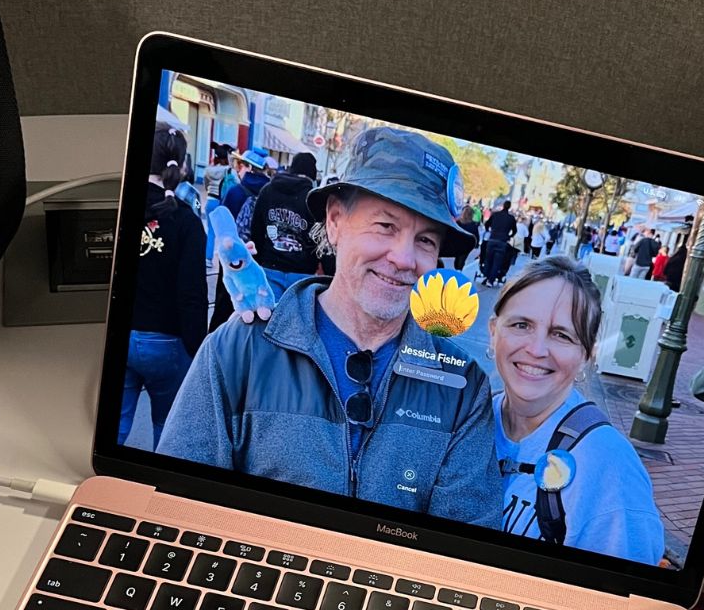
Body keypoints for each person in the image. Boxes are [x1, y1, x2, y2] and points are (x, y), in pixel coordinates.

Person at [159, 125, 501, 525]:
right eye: (386, 226)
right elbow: (177, 510)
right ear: (335, 221)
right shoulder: (238, 352)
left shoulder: (461, 387)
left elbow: (458, 542)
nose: (405, 258)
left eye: (426, 240)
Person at [489, 255, 665, 563]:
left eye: (561, 335)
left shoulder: (610, 468)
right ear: (493, 331)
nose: (536, 349)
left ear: (586, 355)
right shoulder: (467, 420)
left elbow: (622, 588)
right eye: (521, 325)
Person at [119, 125, 207, 447]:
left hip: (120, 332)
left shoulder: (122, 204)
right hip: (167, 341)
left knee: (114, 428)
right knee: (168, 431)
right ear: (181, 166)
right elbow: (192, 294)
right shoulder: (187, 222)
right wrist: (197, 349)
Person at [246, 150, 330, 299]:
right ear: (312, 172)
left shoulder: (268, 190)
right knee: (297, 314)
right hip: (302, 272)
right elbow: (322, 237)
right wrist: (328, 271)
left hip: (270, 267)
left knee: (270, 312)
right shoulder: (313, 198)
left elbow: (256, 229)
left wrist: (257, 261)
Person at [209, 147, 273, 330]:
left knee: (226, 300)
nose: (237, 170)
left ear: (249, 168)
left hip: (232, 257)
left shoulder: (235, 191)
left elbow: (222, 225)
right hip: (257, 258)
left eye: (241, 165)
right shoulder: (269, 193)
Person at [480, 198, 517, 286]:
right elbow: (515, 230)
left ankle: (485, 276)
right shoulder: (511, 218)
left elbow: (487, 224)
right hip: (502, 241)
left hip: (492, 239)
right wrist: (509, 236)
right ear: (509, 207)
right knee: (497, 262)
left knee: (488, 259)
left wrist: (489, 230)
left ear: (503, 206)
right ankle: (491, 281)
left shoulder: (495, 215)